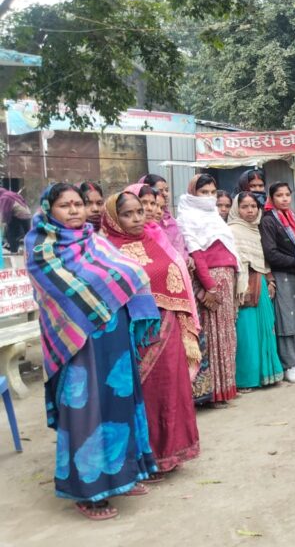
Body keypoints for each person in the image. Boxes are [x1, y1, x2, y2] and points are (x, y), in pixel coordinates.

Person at [26, 183, 159, 520]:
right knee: (86, 408)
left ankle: (124, 474)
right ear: (49, 210)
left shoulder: (94, 240)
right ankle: (87, 492)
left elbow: (128, 272)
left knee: (119, 403)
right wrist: (102, 296)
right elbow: (61, 293)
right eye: (65, 205)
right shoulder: (41, 248)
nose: (74, 210)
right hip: (77, 341)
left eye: (78, 204)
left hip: (113, 339)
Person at [101, 188, 201, 478]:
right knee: (146, 393)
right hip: (133, 335)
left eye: (139, 212)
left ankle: (172, 452)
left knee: (171, 390)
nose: (136, 219)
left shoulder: (155, 241)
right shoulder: (106, 251)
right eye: (127, 214)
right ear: (113, 218)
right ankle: (145, 459)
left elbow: (176, 279)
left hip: (169, 328)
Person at [177, 174, 241, 406]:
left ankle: (227, 388)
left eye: (213, 192)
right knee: (213, 336)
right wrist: (210, 287)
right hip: (211, 280)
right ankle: (213, 391)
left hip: (226, 277)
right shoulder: (187, 217)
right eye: (203, 192)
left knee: (227, 335)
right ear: (193, 193)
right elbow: (196, 253)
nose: (209, 197)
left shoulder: (214, 216)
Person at [260, 181, 295, 383]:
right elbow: (270, 253)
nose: (284, 199)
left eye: (287, 195)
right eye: (279, 195)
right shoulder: (269, 220)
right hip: (284, 274)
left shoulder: (292, 216)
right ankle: (289, 364)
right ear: (271, 198)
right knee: (287, 319)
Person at [228, 192, 284, 389]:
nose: (250, 211)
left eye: (253, 206)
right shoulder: (231, 230)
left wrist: (270, 280)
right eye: (244, 207)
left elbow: (264, 260)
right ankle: (247, 379)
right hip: (243, 286)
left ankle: (267, 375)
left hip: (260, 283)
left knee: (266, 329)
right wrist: (241, 284)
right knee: (247, 333)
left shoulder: (257, 230)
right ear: (237, 209)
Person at [141, 173, 186, 258]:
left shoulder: (169, 218)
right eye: (160, 190)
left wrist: (187, 256)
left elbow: (180, 242)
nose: (165, 194)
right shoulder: (146, 225)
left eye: (167, 190)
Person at [0, 186, 33, 253]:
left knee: (11, 233)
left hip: (19, 215)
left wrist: (3, 222)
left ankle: (13, 250)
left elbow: (5, 212)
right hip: (27, 214)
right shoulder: (11, 194)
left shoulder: (4, 197)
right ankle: (32, 250)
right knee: (28, 234)